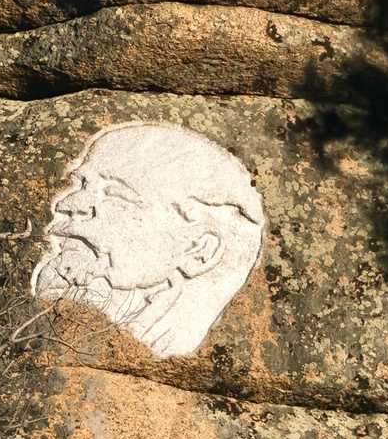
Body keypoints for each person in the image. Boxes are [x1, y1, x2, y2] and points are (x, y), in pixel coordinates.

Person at [30, 121, 266, 359]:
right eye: (82, 185)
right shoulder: (60, 281)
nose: (70, 204)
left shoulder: (174, 332)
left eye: (116, 195)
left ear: (198, 249)